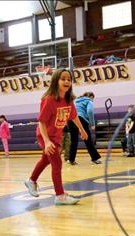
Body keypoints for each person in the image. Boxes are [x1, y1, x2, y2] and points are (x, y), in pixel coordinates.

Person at [24, 69, 88, 205]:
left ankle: (31, 181)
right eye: (63, 79)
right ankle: (60, 196)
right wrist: (46, 141)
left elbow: (74, 116)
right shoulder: (50, 100)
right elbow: (41, 121)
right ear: (55, 81)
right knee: (57, 163)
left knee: (46, 159)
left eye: (69, 79)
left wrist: (82, 130)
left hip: (56, 135)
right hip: (45, 135)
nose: (66, 81)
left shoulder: (69, 100)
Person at [68, 92, 101, 165]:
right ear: (90, 96)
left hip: (70, 120)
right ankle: (95, 158)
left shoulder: (75, 100)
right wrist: (92, 124)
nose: (93, 100)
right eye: (93, 98)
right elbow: (90, 111)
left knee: (73, 141)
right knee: (88, 139)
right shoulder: (89, 101)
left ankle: (71, 159)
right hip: (81, 119)